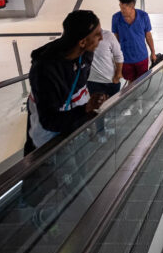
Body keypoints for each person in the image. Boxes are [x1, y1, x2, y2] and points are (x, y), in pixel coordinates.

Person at [26, 10, 104, 153]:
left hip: (75, 126)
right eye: (97, 34)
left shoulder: (86, 53)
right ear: (82, 42)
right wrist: (85, 109)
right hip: (51, 141)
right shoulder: (44, 71)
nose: (102, 38)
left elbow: (79, 85)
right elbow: (49, 120)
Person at [112, 0, 156, 83]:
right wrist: (115, 55)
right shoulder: (116, 18)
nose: (121, 10)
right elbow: (116, 37)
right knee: (130, 81)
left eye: (124, 8)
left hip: (141, 57)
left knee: (142, 81)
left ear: (132, 7)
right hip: (125, 58)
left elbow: (148, 36)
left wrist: (153, 52)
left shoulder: (144, 16)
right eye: (120, 7)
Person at [86, 28, 124, 99]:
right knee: (97, 108)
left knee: (114, 106)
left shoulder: (108, 35)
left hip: (111, 81)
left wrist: (118, 75)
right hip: (92, 81)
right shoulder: (83, 37)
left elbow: (118, 56)